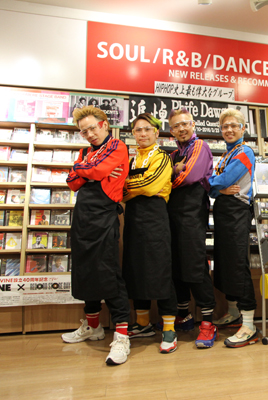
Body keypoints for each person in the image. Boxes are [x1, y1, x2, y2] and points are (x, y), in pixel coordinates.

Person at [62, 105, 131, 365]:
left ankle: (122, 336)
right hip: (82, 218)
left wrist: (85, 169)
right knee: (85, 270)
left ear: (104, 125)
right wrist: (88, 168)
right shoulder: (84, 152)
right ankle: (93, 327)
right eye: (84, 131)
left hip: (104, 217)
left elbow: (96, 172)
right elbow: (72, 182)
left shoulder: (118, 147)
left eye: (92, 128)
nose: (89, 134)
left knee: (108, 272)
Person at [122, 112, 179, 354]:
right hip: (133, 221)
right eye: (138, 130)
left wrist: (131, 186)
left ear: (156, 132)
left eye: (147, 129)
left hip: (156, 220)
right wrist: (136, 188)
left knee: (160, 270)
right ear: (133, 134)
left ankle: (169, 329)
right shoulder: (132, 160)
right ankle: (143, 323)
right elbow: (120, 192)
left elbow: (151, 185)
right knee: (135, 270)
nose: (143, 134)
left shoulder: (162, 157)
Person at [167, 108, 218, 348]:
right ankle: (184, 315)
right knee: (176, 264)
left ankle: (207, 321)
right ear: (171, 131)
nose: (181, 129)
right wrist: (173, 171)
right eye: (176, 126)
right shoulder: (174, 153)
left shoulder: (200, 146)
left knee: (194, 263)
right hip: (173, 213)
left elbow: (188, 177)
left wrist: (170, 178)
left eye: (185, 124)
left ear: (193, 124)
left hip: (192, 213)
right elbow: (166, 175)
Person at [209, 108, 257, 348]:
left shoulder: (245, 151)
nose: (229, 130)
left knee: (238, 264)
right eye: (225, 126)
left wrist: (214, 186)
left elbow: (222, 181)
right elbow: (215, 186)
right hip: (223, 212)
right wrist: (217, 188)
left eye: (233, 126)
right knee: (225, 263)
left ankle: (249, 324)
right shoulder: (226, 154)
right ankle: (234, 312)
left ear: (243, 129)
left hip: (237, 211)